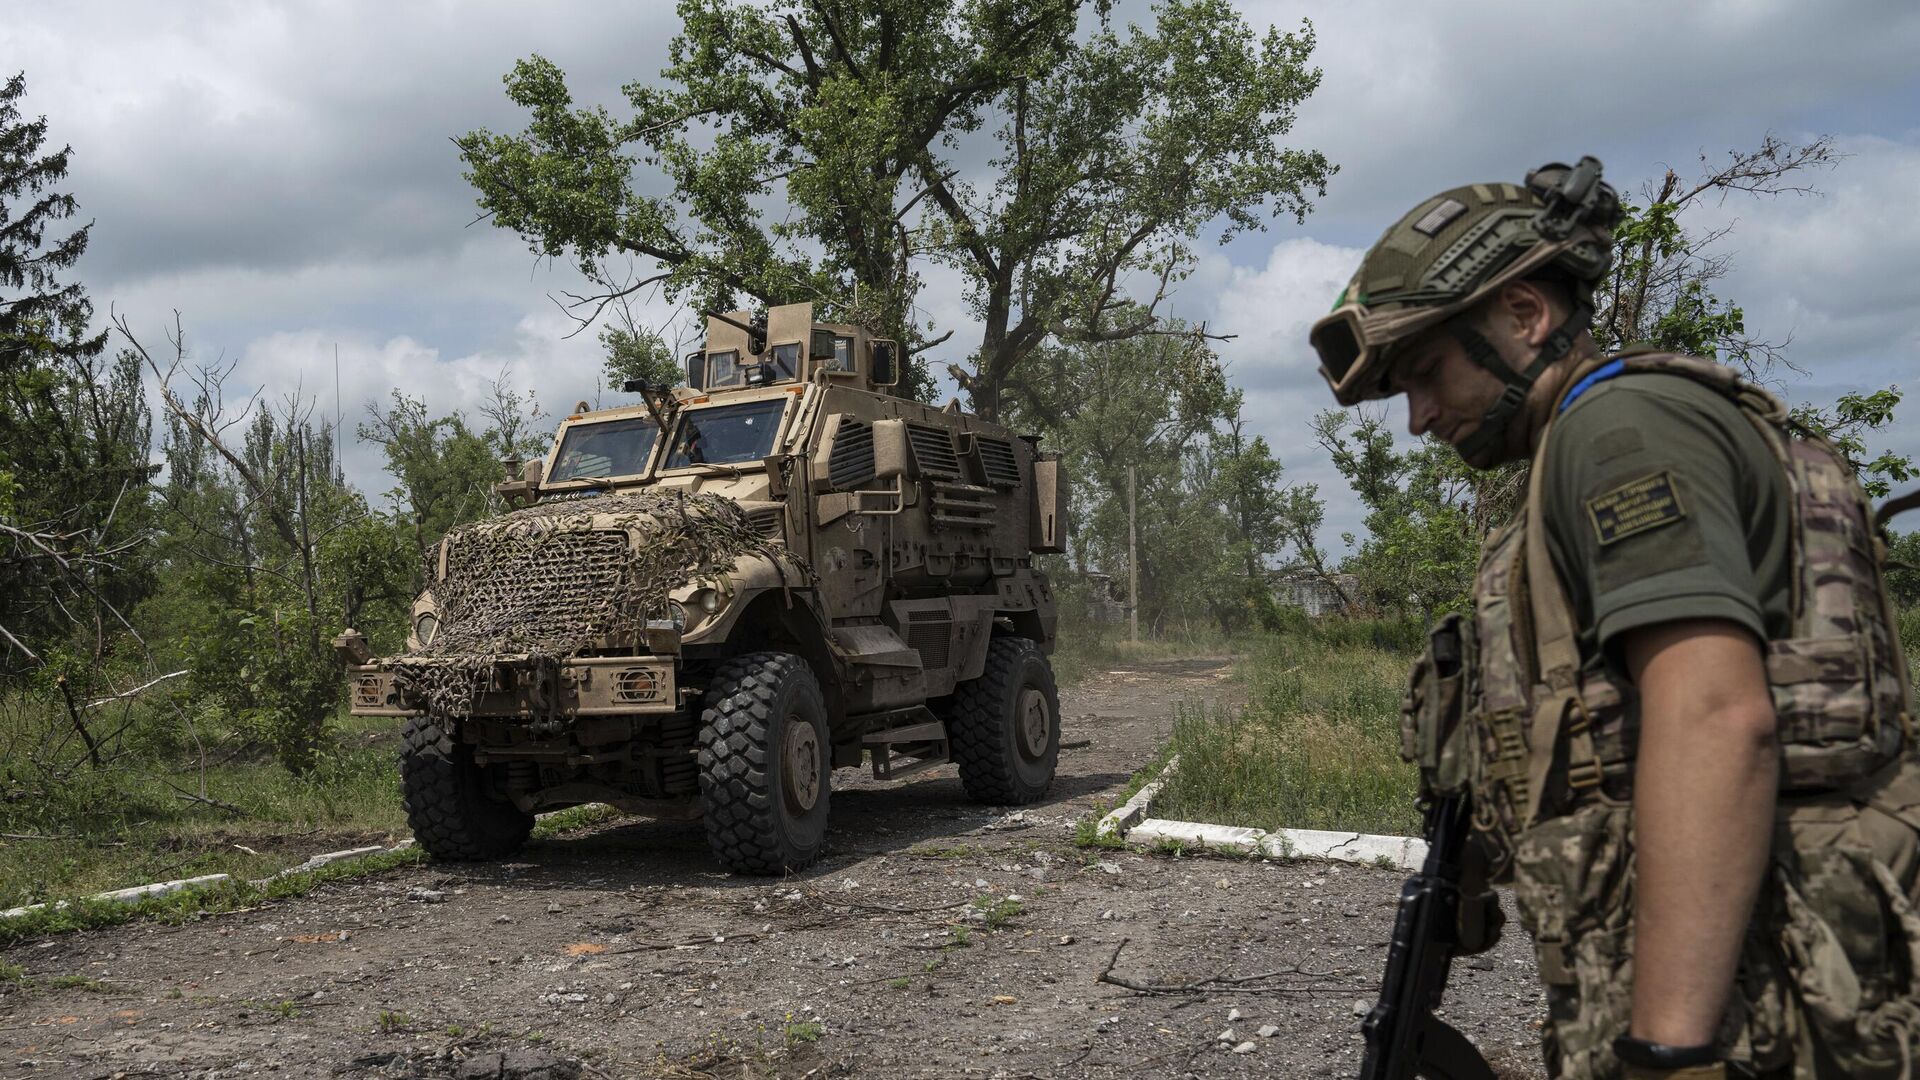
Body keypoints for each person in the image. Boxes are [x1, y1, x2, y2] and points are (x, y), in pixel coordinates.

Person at [1312, 157, 1920, 1079]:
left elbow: (1716, 714)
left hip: (1759, 997)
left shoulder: (1617, 433)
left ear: (1525, 316)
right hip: (1774, 964)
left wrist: (1668, 1049)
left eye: (1427, 373)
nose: (1420, 418)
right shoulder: (1603, 433)